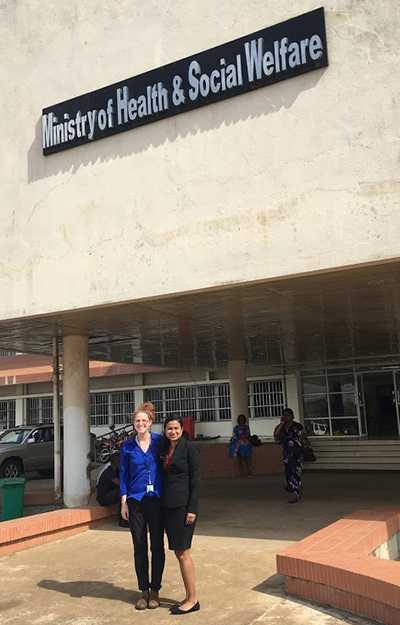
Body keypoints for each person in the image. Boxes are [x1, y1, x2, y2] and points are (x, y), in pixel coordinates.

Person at [120, 402, 165, 610]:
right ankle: (143, 590)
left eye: (144, 421)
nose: (141, 424)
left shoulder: (159, 442)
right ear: (133, 423)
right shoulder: (127, 446)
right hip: (135, 501)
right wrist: (123, 502)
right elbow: (123, 475)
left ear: (150, 422)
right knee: (139, 545)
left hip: (156, 499)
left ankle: (155, 589)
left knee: (156, 545)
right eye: (137, 421)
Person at [161, 416, 201, 615]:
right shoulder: (166, 448)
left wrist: (192, 508)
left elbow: (196, 480)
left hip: (183, 507)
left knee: (183, 552)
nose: (173, 432)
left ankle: (193, 600)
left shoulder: (189, 448)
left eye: (176, 428)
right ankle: (189, 595)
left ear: (182, 429)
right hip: (168, 505)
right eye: (169, 428)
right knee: (178, 552)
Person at [274, 408, 304, 503]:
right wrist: (281, 424)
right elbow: (276, 435)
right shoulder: (281, 427)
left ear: (292, 416)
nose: (286, 417)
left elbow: (303, 437)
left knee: (295, 472)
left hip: (297, 452)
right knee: (288, 473)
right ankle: (292, 489)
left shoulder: (297, 426)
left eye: (288, 415)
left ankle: (295, 493)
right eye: (284, 415)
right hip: (287, 453)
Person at [96, 451, 129, 527]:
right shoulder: (109, 471)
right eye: (120, 461)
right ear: (115, 462)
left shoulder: (117, 471)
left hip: (111, 494)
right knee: (123, 492)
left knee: (124, 492)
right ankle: (123, 521)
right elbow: (120, 483)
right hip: (103, 498)